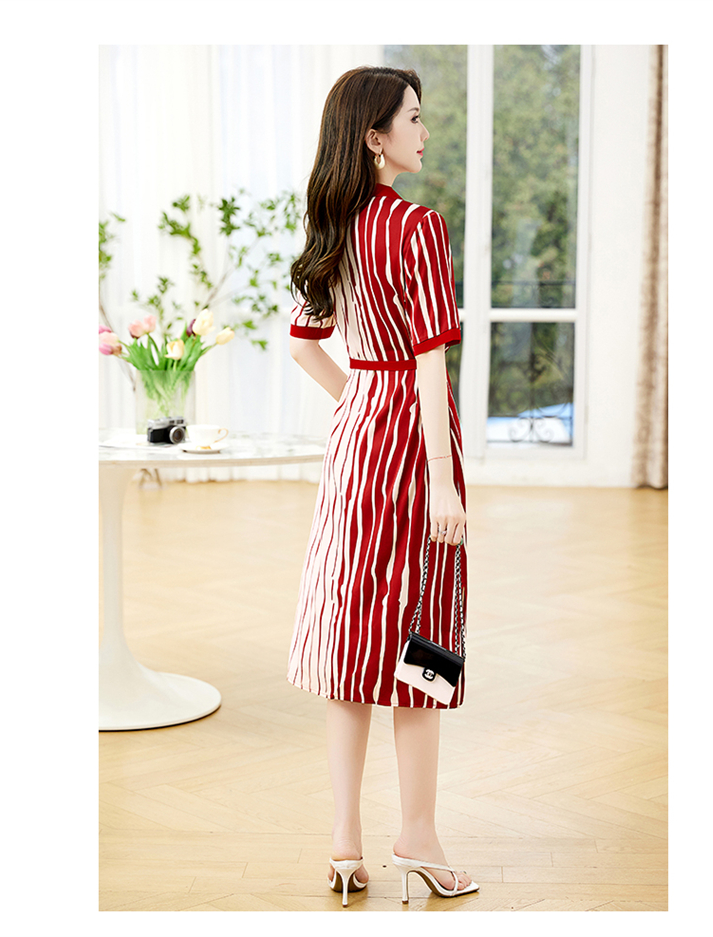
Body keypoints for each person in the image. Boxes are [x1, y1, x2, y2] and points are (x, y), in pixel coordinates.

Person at [286, 65, 478, 907]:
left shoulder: (335, 221)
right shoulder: (417, 225)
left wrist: (356, 402)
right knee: (421, 633)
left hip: (356, 439)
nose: (424, 132)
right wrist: (442, 481)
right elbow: (430, 362)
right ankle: (419, 834)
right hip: (410, 444)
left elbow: (304, 344)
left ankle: (344, 842)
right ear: (375, 136)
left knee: (353, 638)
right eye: (414, 118)